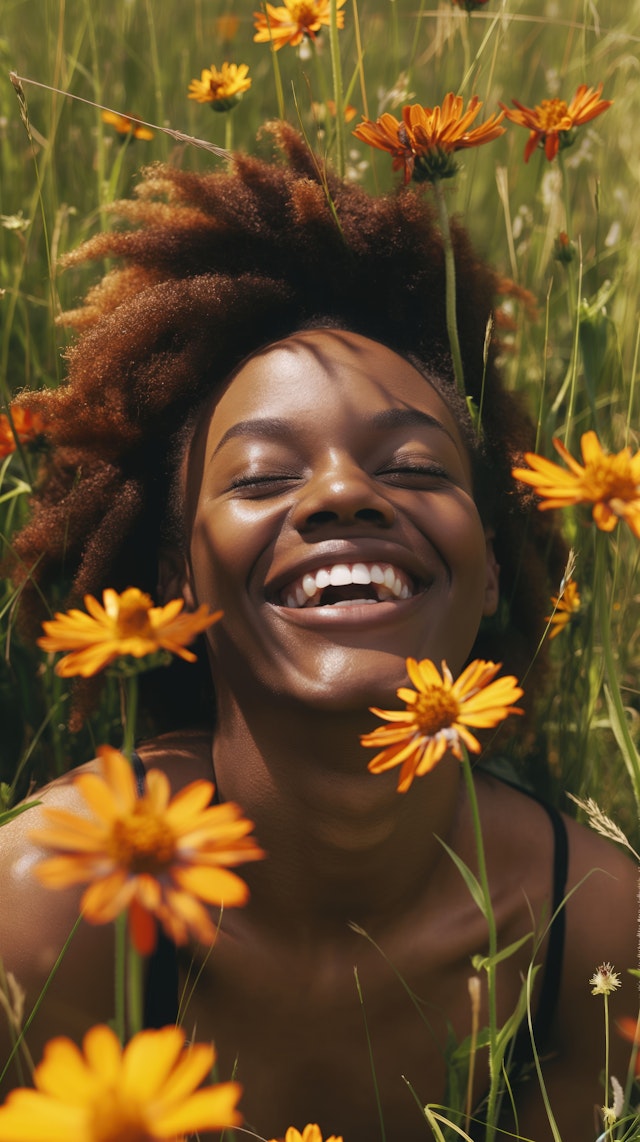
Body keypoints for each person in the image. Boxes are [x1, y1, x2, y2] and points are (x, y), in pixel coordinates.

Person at [0, 123, 636, 1142]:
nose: (344, 493)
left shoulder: (591, 934)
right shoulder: (49, 904)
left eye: (417, 467)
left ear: (486, 568)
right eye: (261, 476)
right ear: (175, 580)